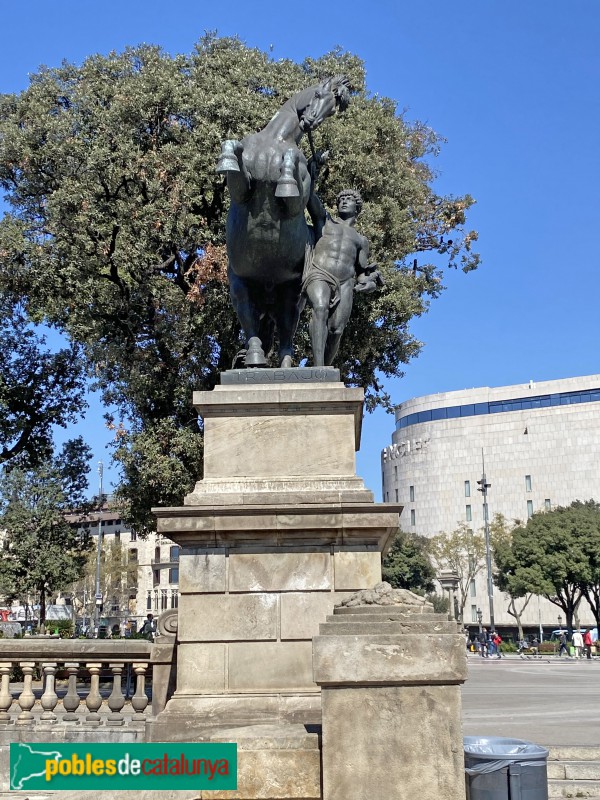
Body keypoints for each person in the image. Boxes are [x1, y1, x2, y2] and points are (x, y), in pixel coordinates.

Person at [303, 188, 383, 366]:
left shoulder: (361, 240)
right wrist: (308, 171)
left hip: (345, 282)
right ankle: (318, 368)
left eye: (349, 199)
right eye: (341, 200)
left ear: (357, 207)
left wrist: (370, 284)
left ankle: (325, 370)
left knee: (336, 330)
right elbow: (310, 196)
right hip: (319, 273)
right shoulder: (325, 222)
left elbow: (362, 273)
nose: (344, 202)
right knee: (320, 307)